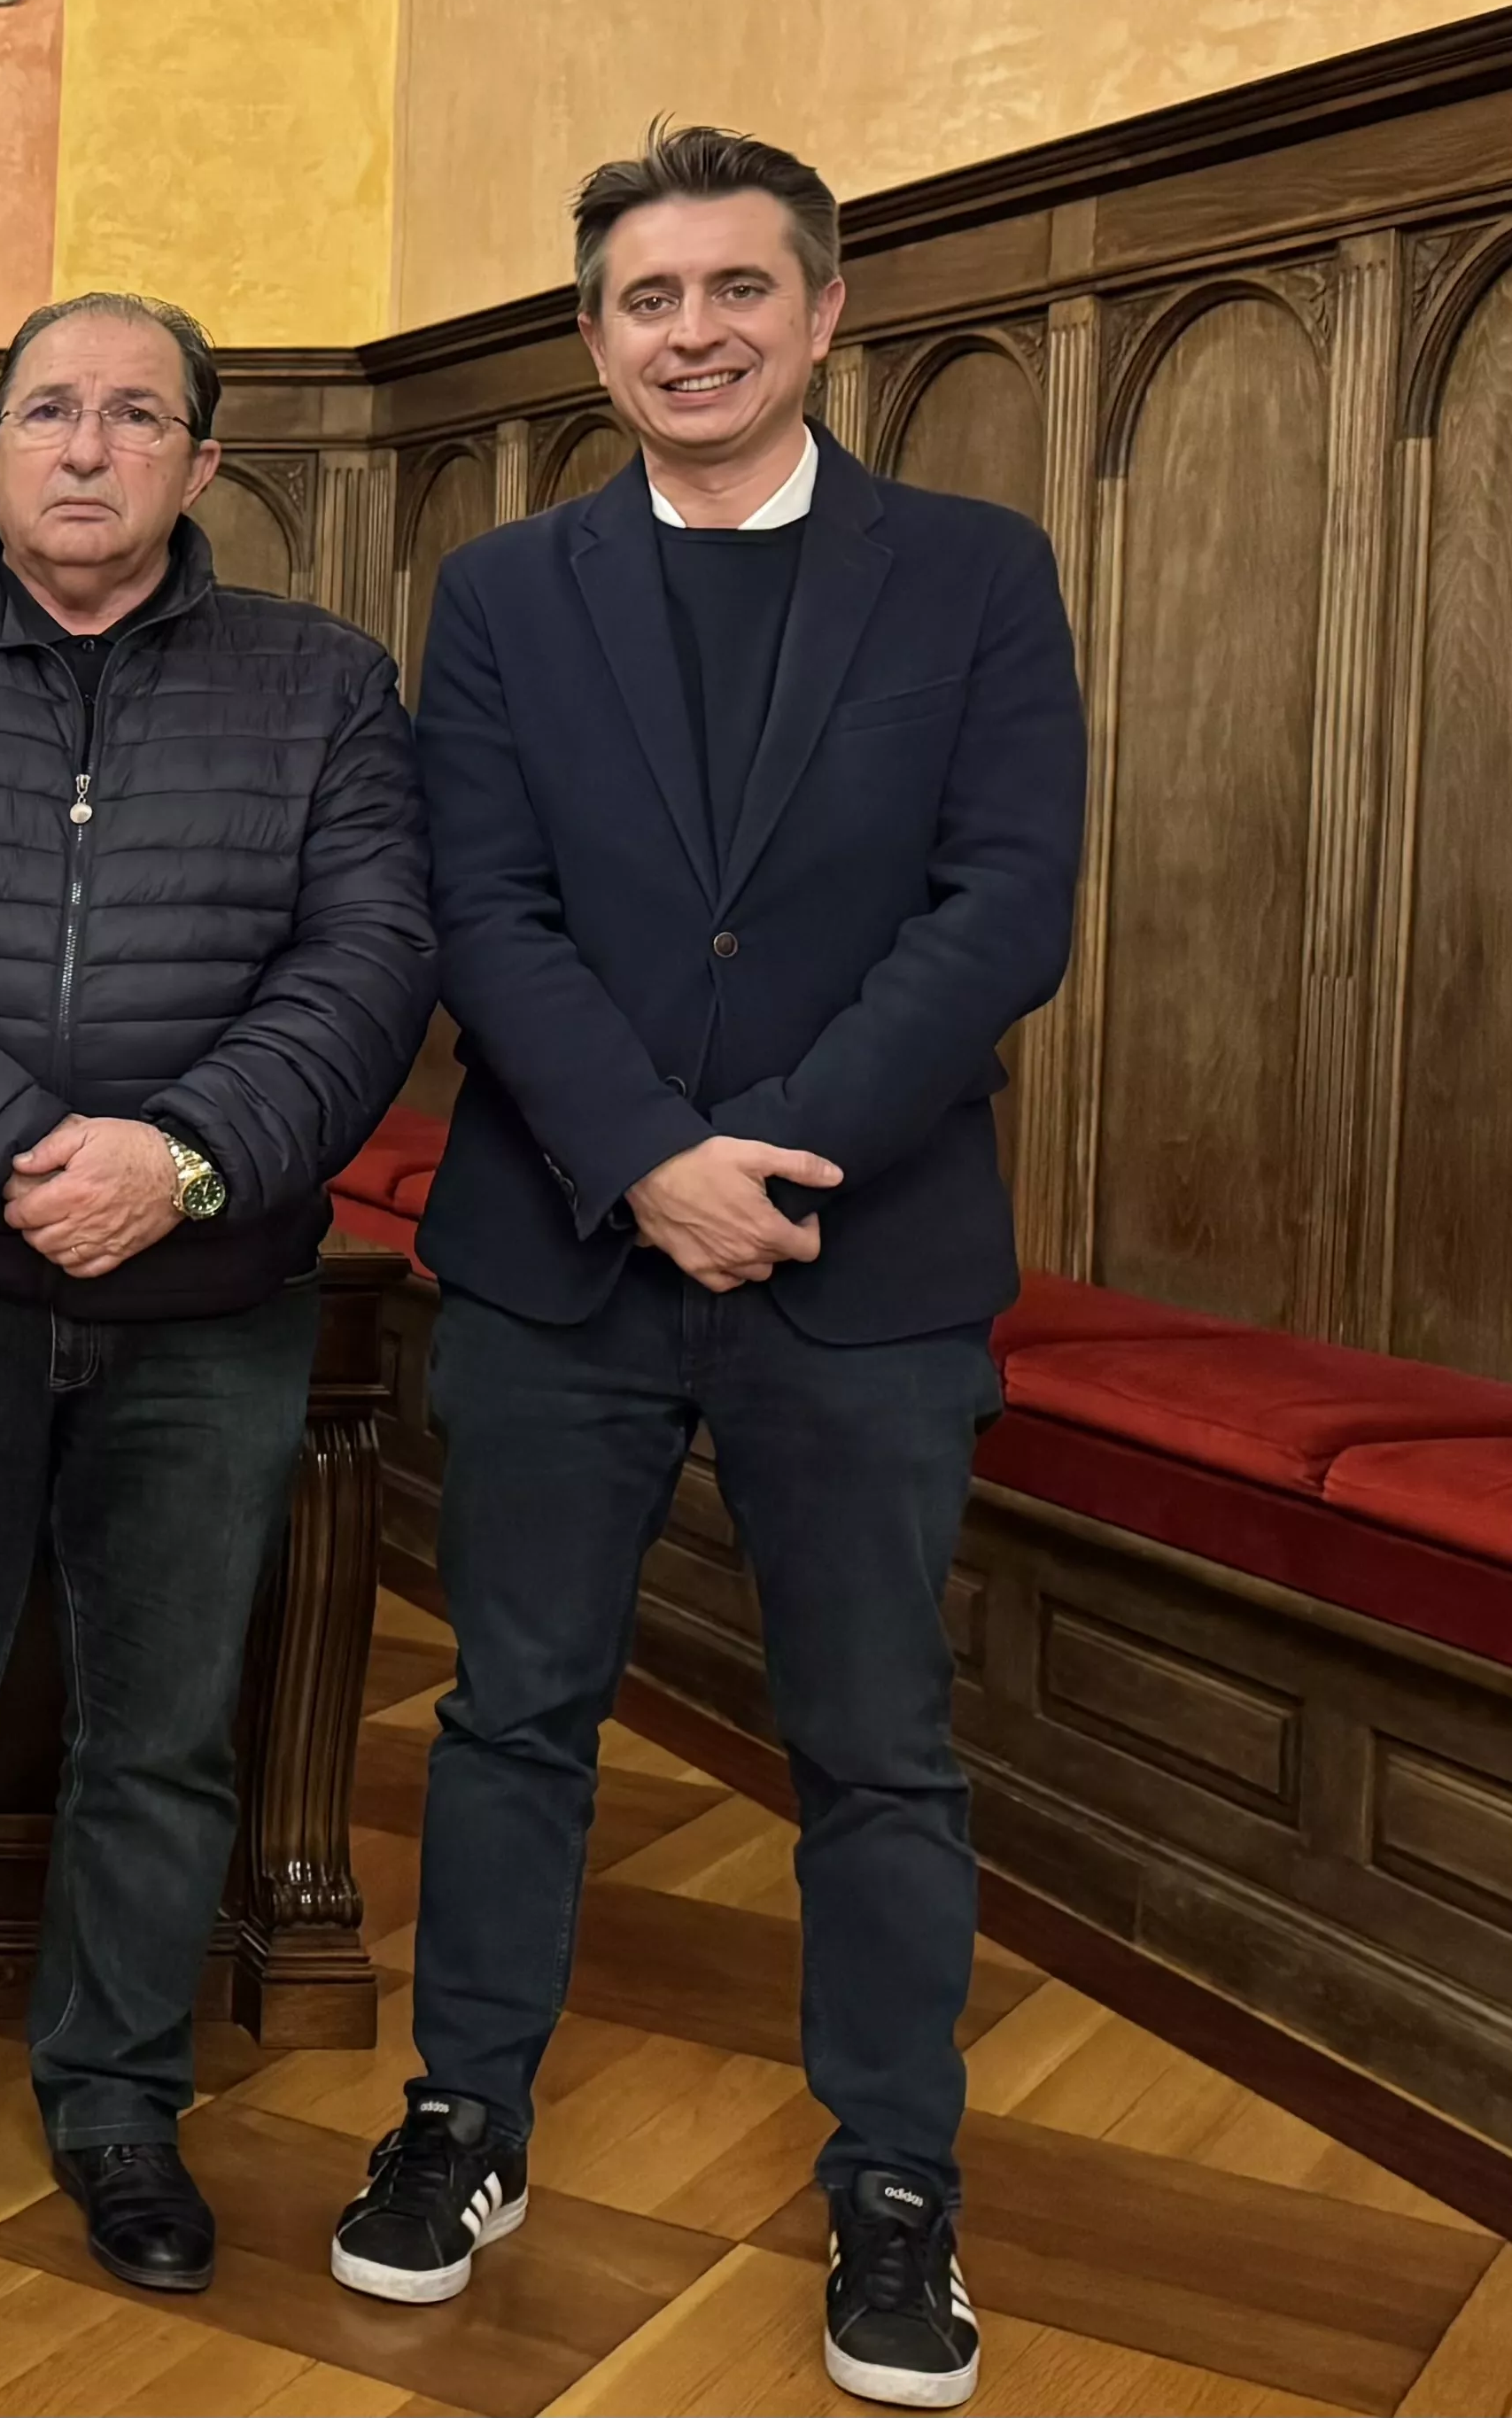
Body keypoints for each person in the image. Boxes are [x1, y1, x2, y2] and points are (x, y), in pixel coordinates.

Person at [330, 128, 1082, 2412]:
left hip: (865, 1263)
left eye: (740, 290)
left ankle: (895, 2184)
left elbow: (1005, 906)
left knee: (873, 1748)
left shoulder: (972, 573)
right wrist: (652, 1157)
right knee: (513, 1714)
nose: (695, 333)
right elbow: (483, 910)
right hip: (567, 1254)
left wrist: (783, 1157)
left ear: (825, 312)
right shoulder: (506, 592)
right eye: (648, 299)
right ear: (592, 339)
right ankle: (467, 2122)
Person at [0, 294, 433, 2287]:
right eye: (49, 412)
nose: (89, 448)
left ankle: (119, 2100)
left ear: (207, 464)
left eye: (137, 416)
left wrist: (181, 1160)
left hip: (213, 1300)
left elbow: (370, 966)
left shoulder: (325, 687)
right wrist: (29, 1153)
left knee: (166, 1722)